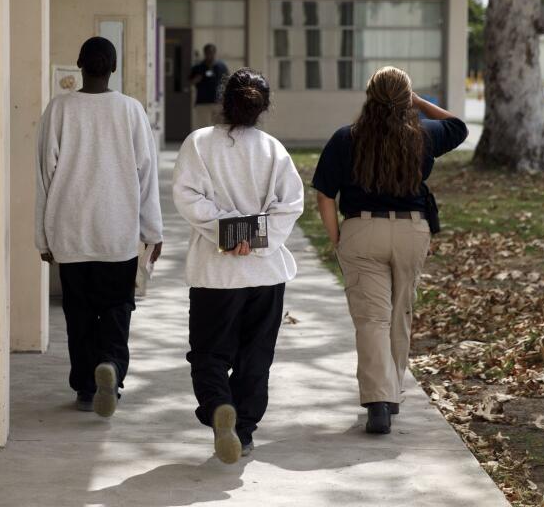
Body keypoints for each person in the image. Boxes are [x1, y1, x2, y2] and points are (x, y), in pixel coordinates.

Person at [312, 66, 468, 434]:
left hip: (362, 230)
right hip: (412, 231)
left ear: (369, 97)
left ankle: (378, 401)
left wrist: (337, 239)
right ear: (405, 100)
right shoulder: (425, 134)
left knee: (372, 319)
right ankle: (391, 393)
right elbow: (459, 126)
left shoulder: (345, 138)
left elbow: (324, 195)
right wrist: (415, 101)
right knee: (400, 314)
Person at [173, 68, 304, 463]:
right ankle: (243, 430)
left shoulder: (198, 144)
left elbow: (188, 196)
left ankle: (218, 409)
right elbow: (291, 204)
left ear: (223, 100)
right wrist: (257, 239)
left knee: (209, 354)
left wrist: (228, 233)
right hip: (265, 275)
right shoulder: (274, 150)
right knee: (255, 356)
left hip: (216, 274)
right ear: (264, 107)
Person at [35, 37, 163, 418]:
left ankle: (86, 387)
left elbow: (45, 175)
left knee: (78, 314)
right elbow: (147, 174)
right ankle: (110, 366)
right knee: (117, 309)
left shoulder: (59, 109)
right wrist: (152, 232)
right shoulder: (131, 110)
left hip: (71, 234)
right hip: (117, 234)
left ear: (79, 64)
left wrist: (42, 237)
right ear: (114, 67)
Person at [189, 43, 229, 130]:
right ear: (204, 53)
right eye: (207, 53)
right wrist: (196, 79)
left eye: (212, 52)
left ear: (215, 53)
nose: (210, 55)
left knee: (220, 128)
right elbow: (190, 82)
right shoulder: (198, 67)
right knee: (203, 128)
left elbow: (227, 82)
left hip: (218, 103)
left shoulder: (221, 66)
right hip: (203, 103)